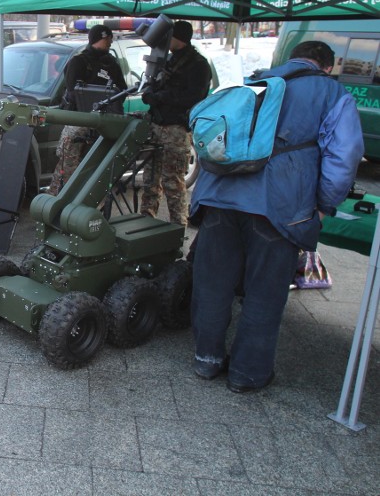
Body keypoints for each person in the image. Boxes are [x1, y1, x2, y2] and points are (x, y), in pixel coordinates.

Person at [190, 41, 364, 393]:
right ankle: (248, 374)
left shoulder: (255, 81)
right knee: (264, 293)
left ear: (289, 59)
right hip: (279, 207)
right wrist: (323, 205)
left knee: (212, 284)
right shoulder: (331, 93)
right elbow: (344, 157)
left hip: (218, 197)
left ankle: (206, 360)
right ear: (326, 66)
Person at [139, 20, 211, 227]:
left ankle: (178, 226)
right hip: (157, 125)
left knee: (173, 182)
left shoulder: (198, 65)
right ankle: (146, 220)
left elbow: (194, 97)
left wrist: (160, 97)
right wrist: (150, 93)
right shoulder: (169, 60)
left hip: (176, 129)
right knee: (151, 179)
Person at [47, 24, 127, 195]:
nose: (110, 42)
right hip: (78, 121)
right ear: (100, 39)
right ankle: (56, 202)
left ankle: (83, 205)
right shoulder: (78, 61)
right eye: (108, 39)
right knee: (67, 168)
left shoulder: (111, 63)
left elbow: (122, 90)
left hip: (103, 124)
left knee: (93, 170)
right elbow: (73, 91)